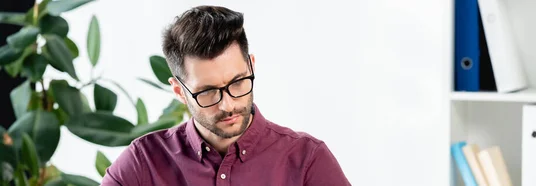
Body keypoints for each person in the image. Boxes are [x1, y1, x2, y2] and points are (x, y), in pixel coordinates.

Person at [101, 5, 350, 186]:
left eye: (238, 82)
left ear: (251, 67)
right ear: (179, 91)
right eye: (208, 92)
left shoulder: (306, 159)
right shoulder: (142, 163)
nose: (228, 104)